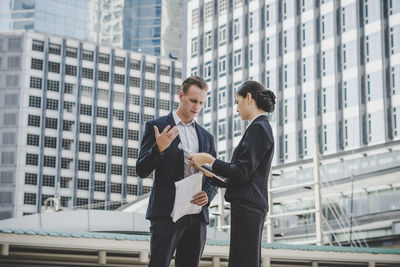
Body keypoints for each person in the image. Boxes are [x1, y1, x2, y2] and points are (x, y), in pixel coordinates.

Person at [188, 81, 276, 267]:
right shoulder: (259, 127)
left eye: (237, 102)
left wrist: (209, 160)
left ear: (249, 98)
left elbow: (241, 173)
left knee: (242, 262)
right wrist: (209, 173)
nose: (236, 109)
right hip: (249, 206)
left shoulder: (258, 128)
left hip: (248, 207)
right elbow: (240, 177)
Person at [136, 76, 217, 267]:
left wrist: (208, 194)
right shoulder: (156, 127)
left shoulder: (207, 137)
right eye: (193, 100)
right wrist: (158, 148)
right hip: (166, 213)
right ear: (181, 96)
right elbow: (141, 169)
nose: (197, 107)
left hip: (196, 215)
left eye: (201, 103)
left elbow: (213, 175)